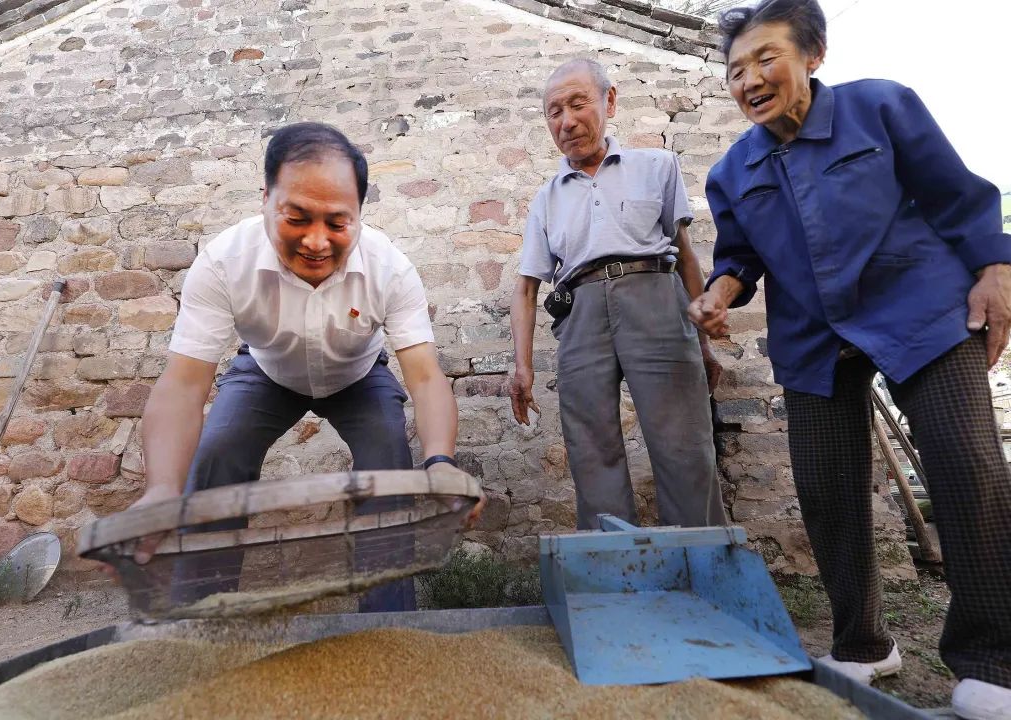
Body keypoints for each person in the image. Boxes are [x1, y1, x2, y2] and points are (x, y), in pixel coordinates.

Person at [687, 1, 1011, 716]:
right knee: (828, 491)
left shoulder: (880, 107)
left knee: (968, 466)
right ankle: (862, 644)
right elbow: (738, 256)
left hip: (921, 304)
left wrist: (996, 271)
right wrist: (718, 292)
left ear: (814, 55)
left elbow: (957, 197)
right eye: (736, 70)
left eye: (766, 58)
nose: (749, 80)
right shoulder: (733, 170)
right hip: (812, 333)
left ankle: (992, 660)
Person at [128, 122, 462, 613]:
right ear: (266, 199)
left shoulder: (390, 269)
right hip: (266, 371)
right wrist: (161, 489)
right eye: (297, 218)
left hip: (358, 374)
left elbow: (426, 376)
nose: (317, 242)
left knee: (388, 456)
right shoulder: (224, 263)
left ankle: (389, 626)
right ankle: (197, 624)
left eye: (337, 223)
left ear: (359, 215)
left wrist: (440, 463)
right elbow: (183, 383)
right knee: (218, 452)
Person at [509, 59, 727, 531]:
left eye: (578, 104)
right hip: (581, 314)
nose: (567, 121)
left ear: (608, 101)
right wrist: (522, 366)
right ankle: (614, 568)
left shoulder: (657, 166)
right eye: (554, 112)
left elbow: (685, 255)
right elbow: (526, 289)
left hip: (656, 298)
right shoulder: (546, 198)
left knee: (684, 443)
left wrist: (703, 343)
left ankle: (703, 564)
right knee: (590, 448)